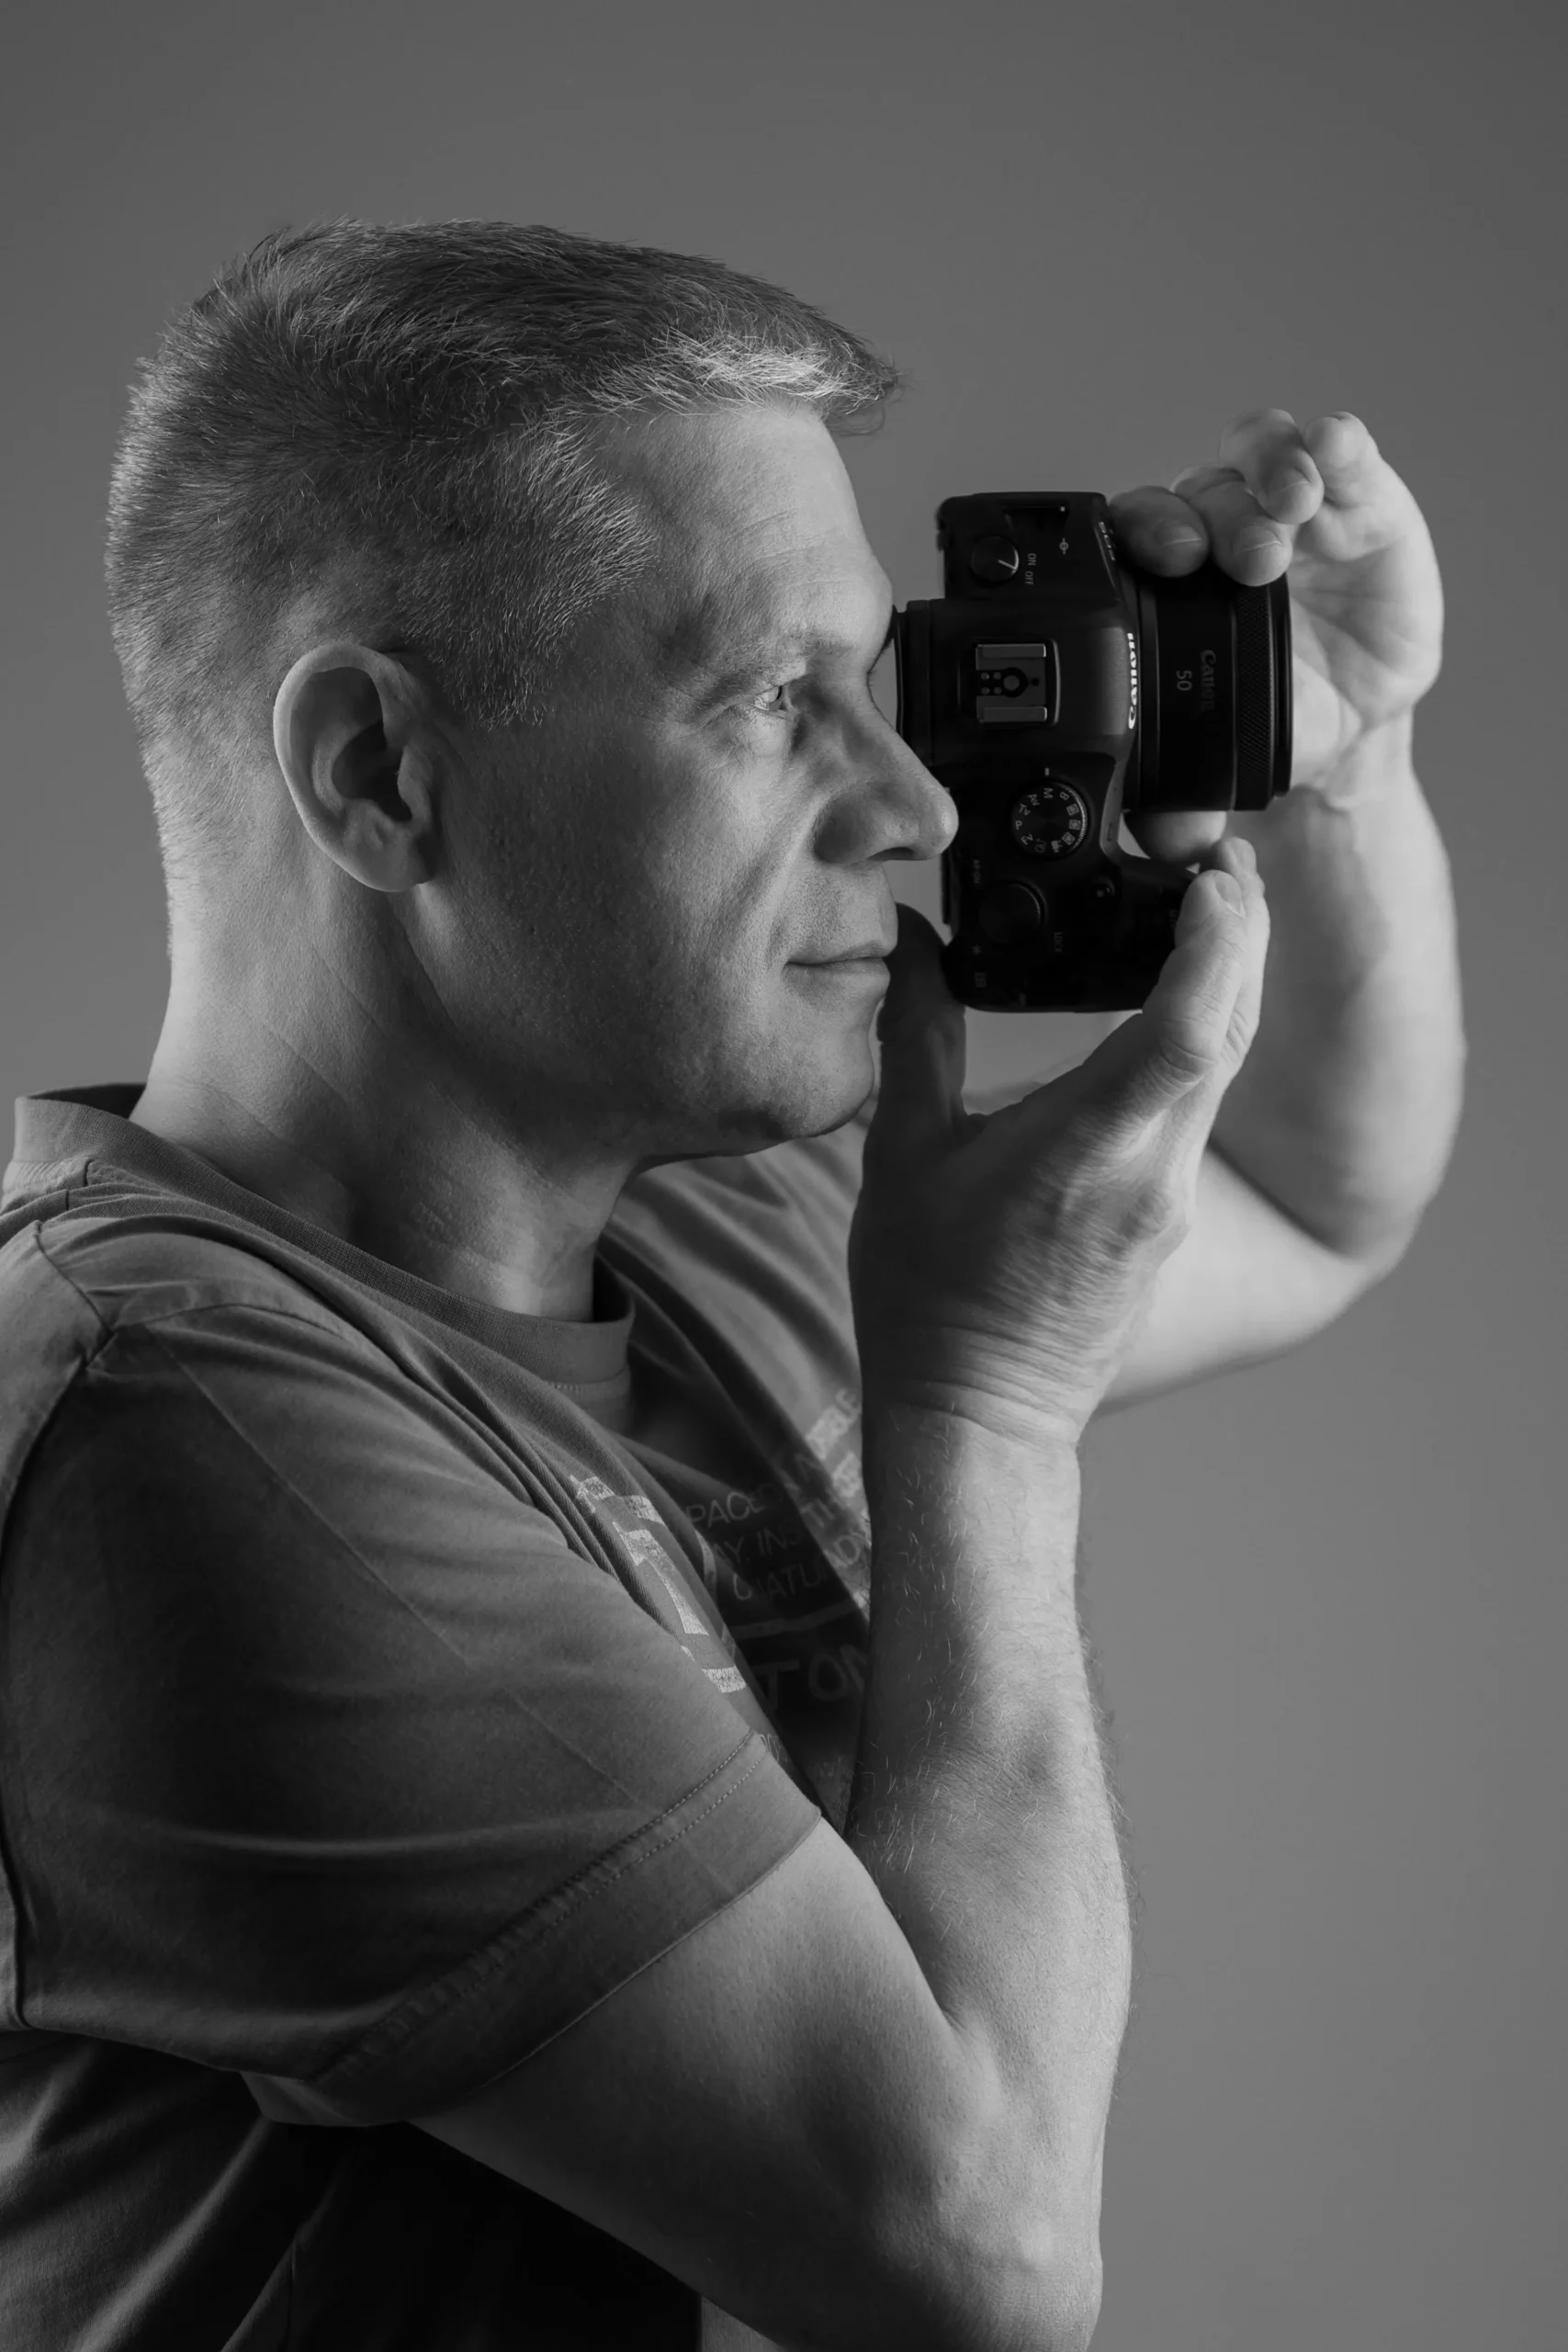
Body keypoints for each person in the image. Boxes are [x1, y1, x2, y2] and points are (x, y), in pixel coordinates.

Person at [0, 220, 1462, 2351]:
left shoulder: (703, 1212)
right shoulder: (168, 1437)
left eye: (877, 686)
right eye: (778, 701)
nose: (912, 800)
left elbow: (1320, 1192)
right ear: (377, 773)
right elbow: (974, 2265)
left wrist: (1337, 754)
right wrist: (983, 1408)